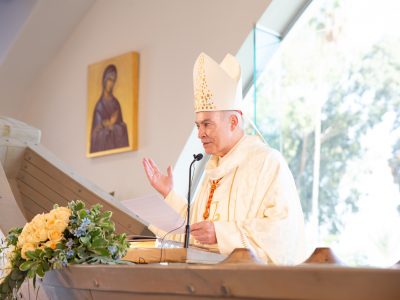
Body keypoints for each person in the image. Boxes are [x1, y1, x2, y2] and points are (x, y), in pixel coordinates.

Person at [143, 52, 306, 265]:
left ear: (232, 122)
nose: (200, 133)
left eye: (207, 124)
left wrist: (221, 234)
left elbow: (283, 233)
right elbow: (193, 231)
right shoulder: (214, 170)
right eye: (198, 125)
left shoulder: (267, 163)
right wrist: (168, 194)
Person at [90, 64, 129, 153]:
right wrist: (104, 124)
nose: (111, 84)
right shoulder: (99, 106)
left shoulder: (116, 104)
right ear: (104, 80)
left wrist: (112, 126)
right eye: (109, 80)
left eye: (113, 81)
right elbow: (95, 136)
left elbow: (122, 128)